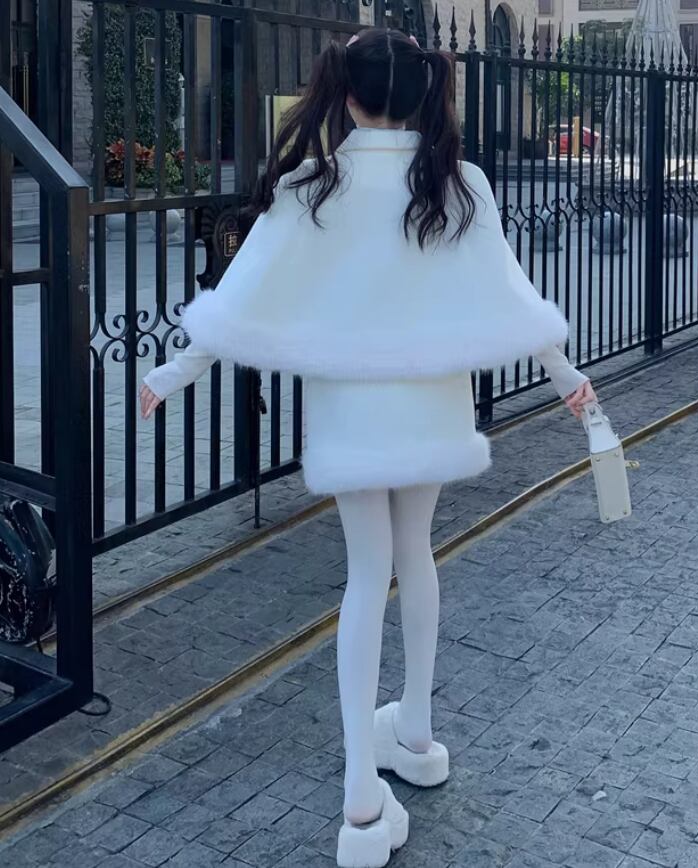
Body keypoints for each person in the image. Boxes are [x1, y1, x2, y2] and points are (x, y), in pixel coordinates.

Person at [140, 28, 595, 868]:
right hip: (431, 399)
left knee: (364, 574)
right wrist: (568, 377)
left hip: (350, 407)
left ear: (345, 97)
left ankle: (360, 798)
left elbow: (241, 292)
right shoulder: (458, 183)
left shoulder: (314, 186)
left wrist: (173, 372)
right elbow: (513, 292)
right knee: (417, 555)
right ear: (422, 93)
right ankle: (414, 734)